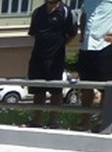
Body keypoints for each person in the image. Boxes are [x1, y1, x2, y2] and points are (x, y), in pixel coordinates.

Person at [26, 0, 77, 128]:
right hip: (38, 57)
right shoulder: (38, 12)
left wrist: (59, 45)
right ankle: (36, 120)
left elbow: (72, 33)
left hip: (56, 59)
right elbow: (33, 33)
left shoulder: (66, 12)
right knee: (38, 90)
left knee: (56, 91)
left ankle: (53, 120)